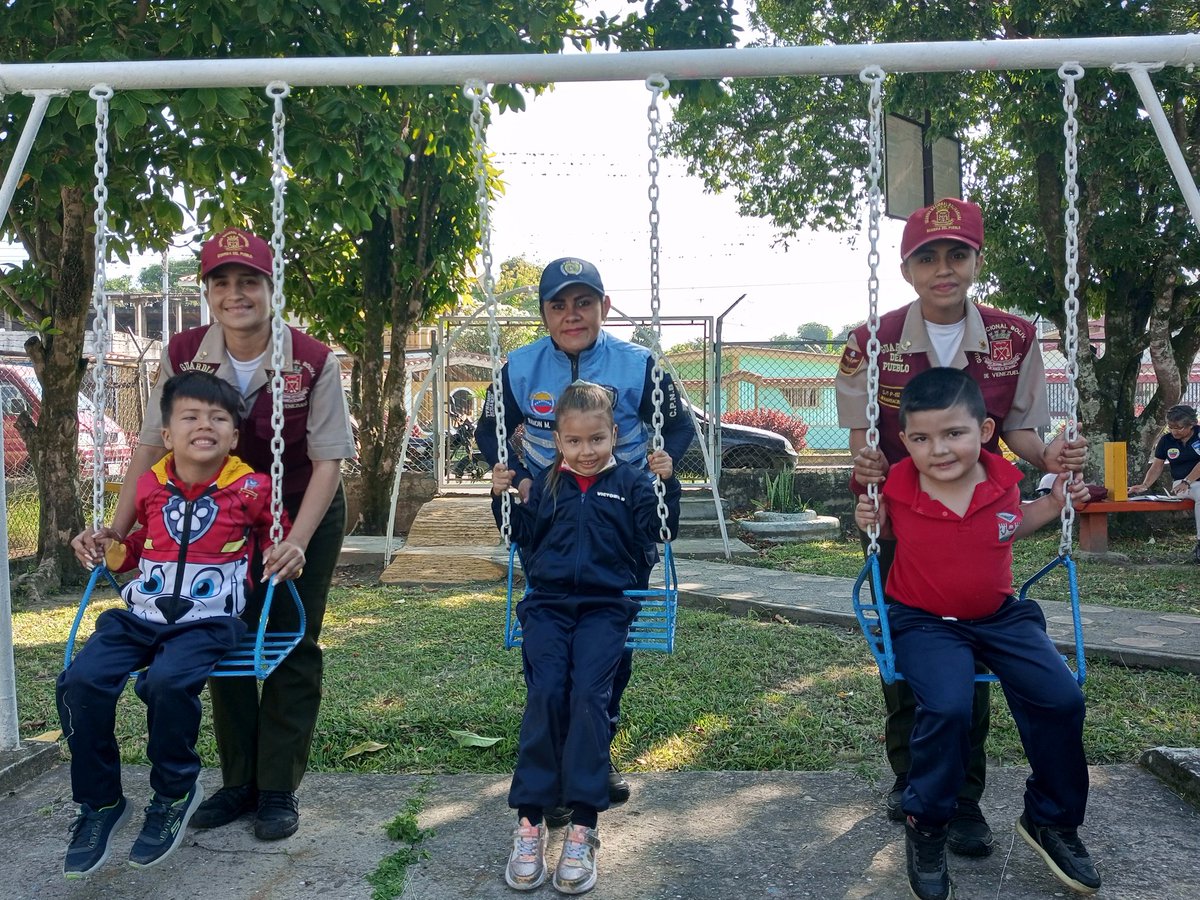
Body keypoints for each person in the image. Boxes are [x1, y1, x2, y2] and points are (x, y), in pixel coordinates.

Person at [71, 226, 355, 842]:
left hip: (302, 508)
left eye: (249, 281)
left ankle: (277, 789)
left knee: (289, 636)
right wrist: (116, 531)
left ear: (269, 288)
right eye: (222, 283)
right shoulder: (183, 352)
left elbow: (330, 458)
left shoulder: (312, 358)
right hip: (207, 510)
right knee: (217, 630)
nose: (236, 294)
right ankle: (237, 783)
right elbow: (152, 442)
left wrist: (296, 542)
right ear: (208, 292)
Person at [835, 197, 1087, 857]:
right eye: (927, 257)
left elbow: (1025, 433)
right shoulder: (871, 340)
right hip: (902, 515)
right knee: (911, 666)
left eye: (956, 254)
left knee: (967, 662)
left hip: (977, 510)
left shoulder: (1013, 337)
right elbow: (860, 437)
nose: (943, 269)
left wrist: (1050, 459)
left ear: (976, 260)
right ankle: (913, 780)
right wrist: (864, 464)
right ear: (907, 267)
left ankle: (963, 800)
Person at [854, 368, 1100, 900]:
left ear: (985, 431)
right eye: (920, 439)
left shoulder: (1002, 484)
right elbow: (878, 527)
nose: (938, 450)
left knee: (1061, 699)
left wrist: (1057, 504)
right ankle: (927, 825)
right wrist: (865, 516)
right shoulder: (895, 486)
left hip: (999, 617)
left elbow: (1019, 522)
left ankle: (1051, 820)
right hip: (922, 620)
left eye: (953, 434)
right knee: (946, 708)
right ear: (905, 443)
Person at [59, 371, 302, 878]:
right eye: (189, 416)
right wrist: (103, 543)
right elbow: (133, 550)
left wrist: (287, 550)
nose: (204, 425)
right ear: (167, 435)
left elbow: (277, 539)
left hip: (208, 622)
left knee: (166, 684)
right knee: (80, 682)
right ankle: (99, 803)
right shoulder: (150, 484)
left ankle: (173, 792)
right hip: (141, 616)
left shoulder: (253, 488)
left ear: (234, 436)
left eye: (217, 418)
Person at [476, 256, 694, 813]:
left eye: (583, 302)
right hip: (550, 515)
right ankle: (552, 771)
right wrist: (517, 480)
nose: (572, 314)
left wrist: (654, 474)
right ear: (544, 314)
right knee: (549, 664)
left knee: (606, 655)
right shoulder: (520, 367)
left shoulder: (638, 363)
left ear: (604, 306)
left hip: (621, 521)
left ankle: (594, 758)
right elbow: (490, 430)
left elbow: (678, 426)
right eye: (559, 305)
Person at [492, 380, 682, 895]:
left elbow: (659, 532)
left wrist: (669, 486)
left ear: (613, 434)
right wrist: (502, 495)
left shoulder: (634, 483)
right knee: (546, 692)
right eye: (574, 441)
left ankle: (582, 826)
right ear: (557, 440)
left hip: (606, 607)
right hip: (549, 607)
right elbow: (521, 537)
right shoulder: (545, 486)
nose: (586, 451)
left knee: (588, 699)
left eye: (596, 439)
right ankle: (530, 821)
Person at [1129, 403, 1200, 562]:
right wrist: (1145, 485)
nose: (1174, 431)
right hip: (1182, 483)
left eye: (1179, 427)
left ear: (1191, 424)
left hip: (1189, 481)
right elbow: (1157, 466)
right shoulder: (1166, 441)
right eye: (1171, 427)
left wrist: (1189, 480)